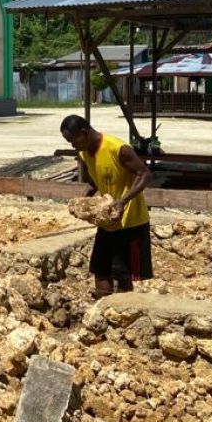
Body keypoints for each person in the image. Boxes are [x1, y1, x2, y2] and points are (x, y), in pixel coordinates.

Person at [60, 114, 153, 298]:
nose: (72, 146)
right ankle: (103, 309)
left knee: (124, 273)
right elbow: (97, 178)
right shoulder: (84, 153)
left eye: (73, 140)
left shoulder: (118, 148)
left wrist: (123, 201)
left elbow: (145, 174)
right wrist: (85, 198)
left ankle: (125, 311)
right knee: (100, 268)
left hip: (131, 222)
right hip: (108, 221)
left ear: (84, 133)